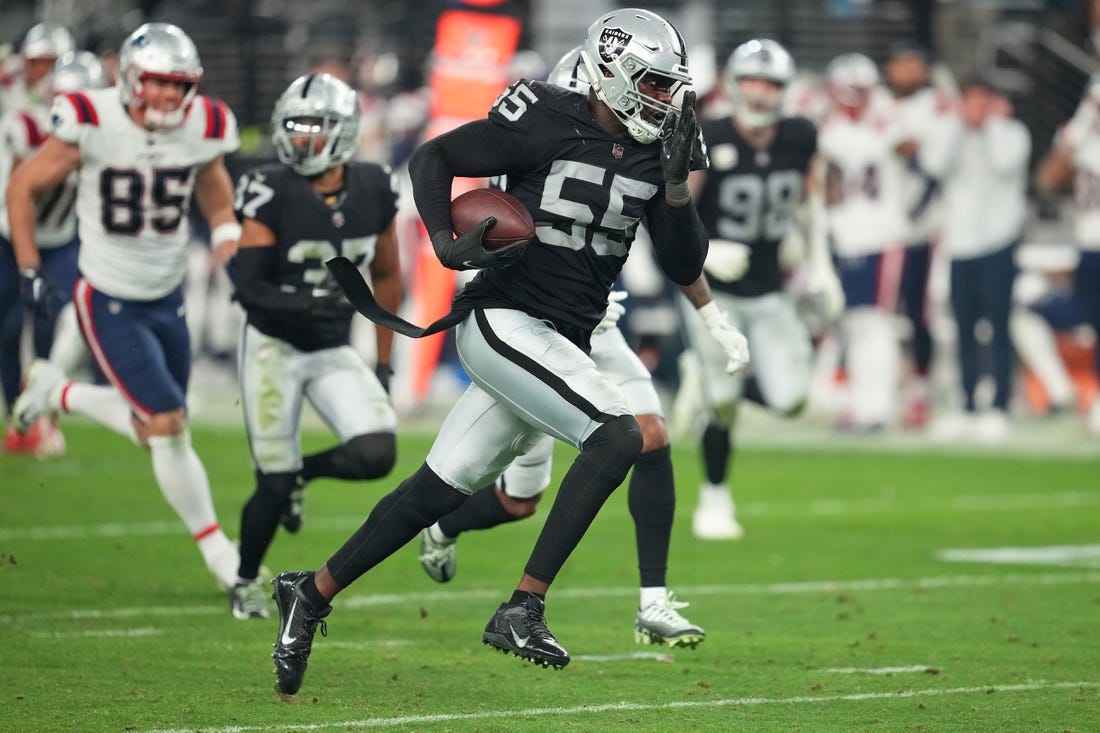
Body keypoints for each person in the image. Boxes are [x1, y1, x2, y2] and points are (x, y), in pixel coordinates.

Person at [269, 7, 733, 695]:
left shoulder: (660, 143)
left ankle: (311, 590)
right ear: (611, 76)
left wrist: (672, 188)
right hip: (505, 319)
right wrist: (440, 237)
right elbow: (437, 159)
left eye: (672, 86)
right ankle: (524, 604)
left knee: (432, 490)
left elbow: (681, 257)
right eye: (655, 84)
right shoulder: (544, 116)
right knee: (617, 435)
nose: (668, 99)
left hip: (562, 334)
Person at [414, 45, 751, 649]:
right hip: (526, 319)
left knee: (650, 433)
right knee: (520, 500)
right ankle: (443, 523)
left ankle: (653, 601)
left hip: (596, 320)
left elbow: (676, 246)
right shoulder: (541, 128)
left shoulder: (643, 145)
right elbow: (459, 172)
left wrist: (711, 313)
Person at [7, 23, 243, 589]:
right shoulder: (91, 118)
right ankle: (222, 560)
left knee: (158, 429)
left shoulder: (204, 124)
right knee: (166, 422)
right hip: (107, 295)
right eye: (158, 82)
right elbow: (21, 187)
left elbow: (213, 189)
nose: (167, 95)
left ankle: (56, 392)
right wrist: (30, 267)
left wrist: (230, 240)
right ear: (133, 79)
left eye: (177, 84)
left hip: (168, 297)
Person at [227, 72, 402, 620]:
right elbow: (248, 287)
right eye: (295, 126)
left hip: (330, 346)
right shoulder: (268, 187)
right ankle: (245, 579)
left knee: (377, 453)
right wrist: (306, 305)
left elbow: (389, 275)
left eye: (315, 126)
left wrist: (382, 360)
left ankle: (305, 473)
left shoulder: (374, 185)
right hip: (273, 346)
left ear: (344, 131)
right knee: (271, 483)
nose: (302, 138)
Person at [679, 39, 842, 539]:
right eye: (752, 80)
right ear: (732, 83)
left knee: (793, 400)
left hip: (770, 290)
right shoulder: (708, 134)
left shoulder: (800, 136)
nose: (760, 92)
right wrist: (702, 252)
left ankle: (704, 376)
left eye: (770, 83)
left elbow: (811, 201)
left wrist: (821, 263)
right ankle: (714, 498)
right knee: (724, 404)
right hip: (712, 291)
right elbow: (672, 208)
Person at [922, 79, 1029, 443]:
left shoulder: (1012, 133)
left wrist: (993, 124)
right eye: (971, 101)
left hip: (998, 244)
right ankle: (967, 405)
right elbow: (934, 165)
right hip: (961, 245)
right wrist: (958, 124)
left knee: (997, 327)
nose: (977, 108)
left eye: (983, 101)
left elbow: (1004, 164)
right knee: (963, 329)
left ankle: (999, 406)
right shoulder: (949, 132)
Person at [818, 53, 910, 432]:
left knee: (876, 323)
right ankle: (861, 404)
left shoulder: (886, 119)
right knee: (855, 323)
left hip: (881, 236)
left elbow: (906, 144)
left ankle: (877, 408)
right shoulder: (831, 125)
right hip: (843, 237)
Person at [0, 26, 81, 455]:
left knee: (55, 320)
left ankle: (41, 410)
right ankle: (18, 413)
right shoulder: (23, 121)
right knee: (10, 328)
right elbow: (21, 189)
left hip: (63, 237)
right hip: (14, 234)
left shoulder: (94, 120)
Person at [884, 41, 952, 429]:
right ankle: (897, 383)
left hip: (924, 225)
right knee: (885, 314)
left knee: (922, 310)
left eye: (910, 63)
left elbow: (928, 163)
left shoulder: (934, 104)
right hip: (886, 227)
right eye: (898, 63)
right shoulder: (884, 105)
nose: (903, 71)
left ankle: (924, 388)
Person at [1033, 72, 1100, 434]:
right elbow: (1046, 180)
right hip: (1089, 247)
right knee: (1093, 325)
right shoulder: (1083, 142)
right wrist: (1073, 138)